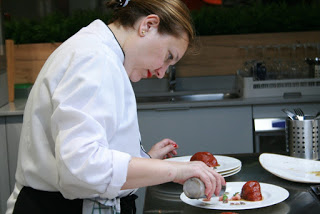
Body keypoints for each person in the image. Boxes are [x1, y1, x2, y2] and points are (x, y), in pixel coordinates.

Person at [6, 0, 225, 213]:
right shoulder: (95, 58)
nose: (161, 72)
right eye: (168, 56)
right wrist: (175, 170)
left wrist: (144, 161)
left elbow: (92, 150)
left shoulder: (100, 53)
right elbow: (82, 166)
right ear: (148, 26)